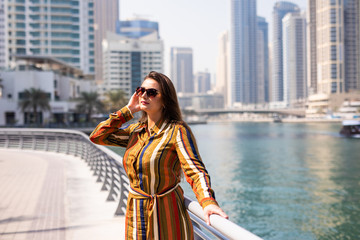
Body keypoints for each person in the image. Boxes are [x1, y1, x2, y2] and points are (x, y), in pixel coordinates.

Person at [89, 71, 228, 239]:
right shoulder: (136, 131)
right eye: (141, 90)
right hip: (136, 214)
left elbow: (195, 170)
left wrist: (208, 202)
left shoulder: (176, 131)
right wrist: (129, 110)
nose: (144, 95)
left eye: (152, 92)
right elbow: (98, 136)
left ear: (165, 101)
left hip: (167, 215)